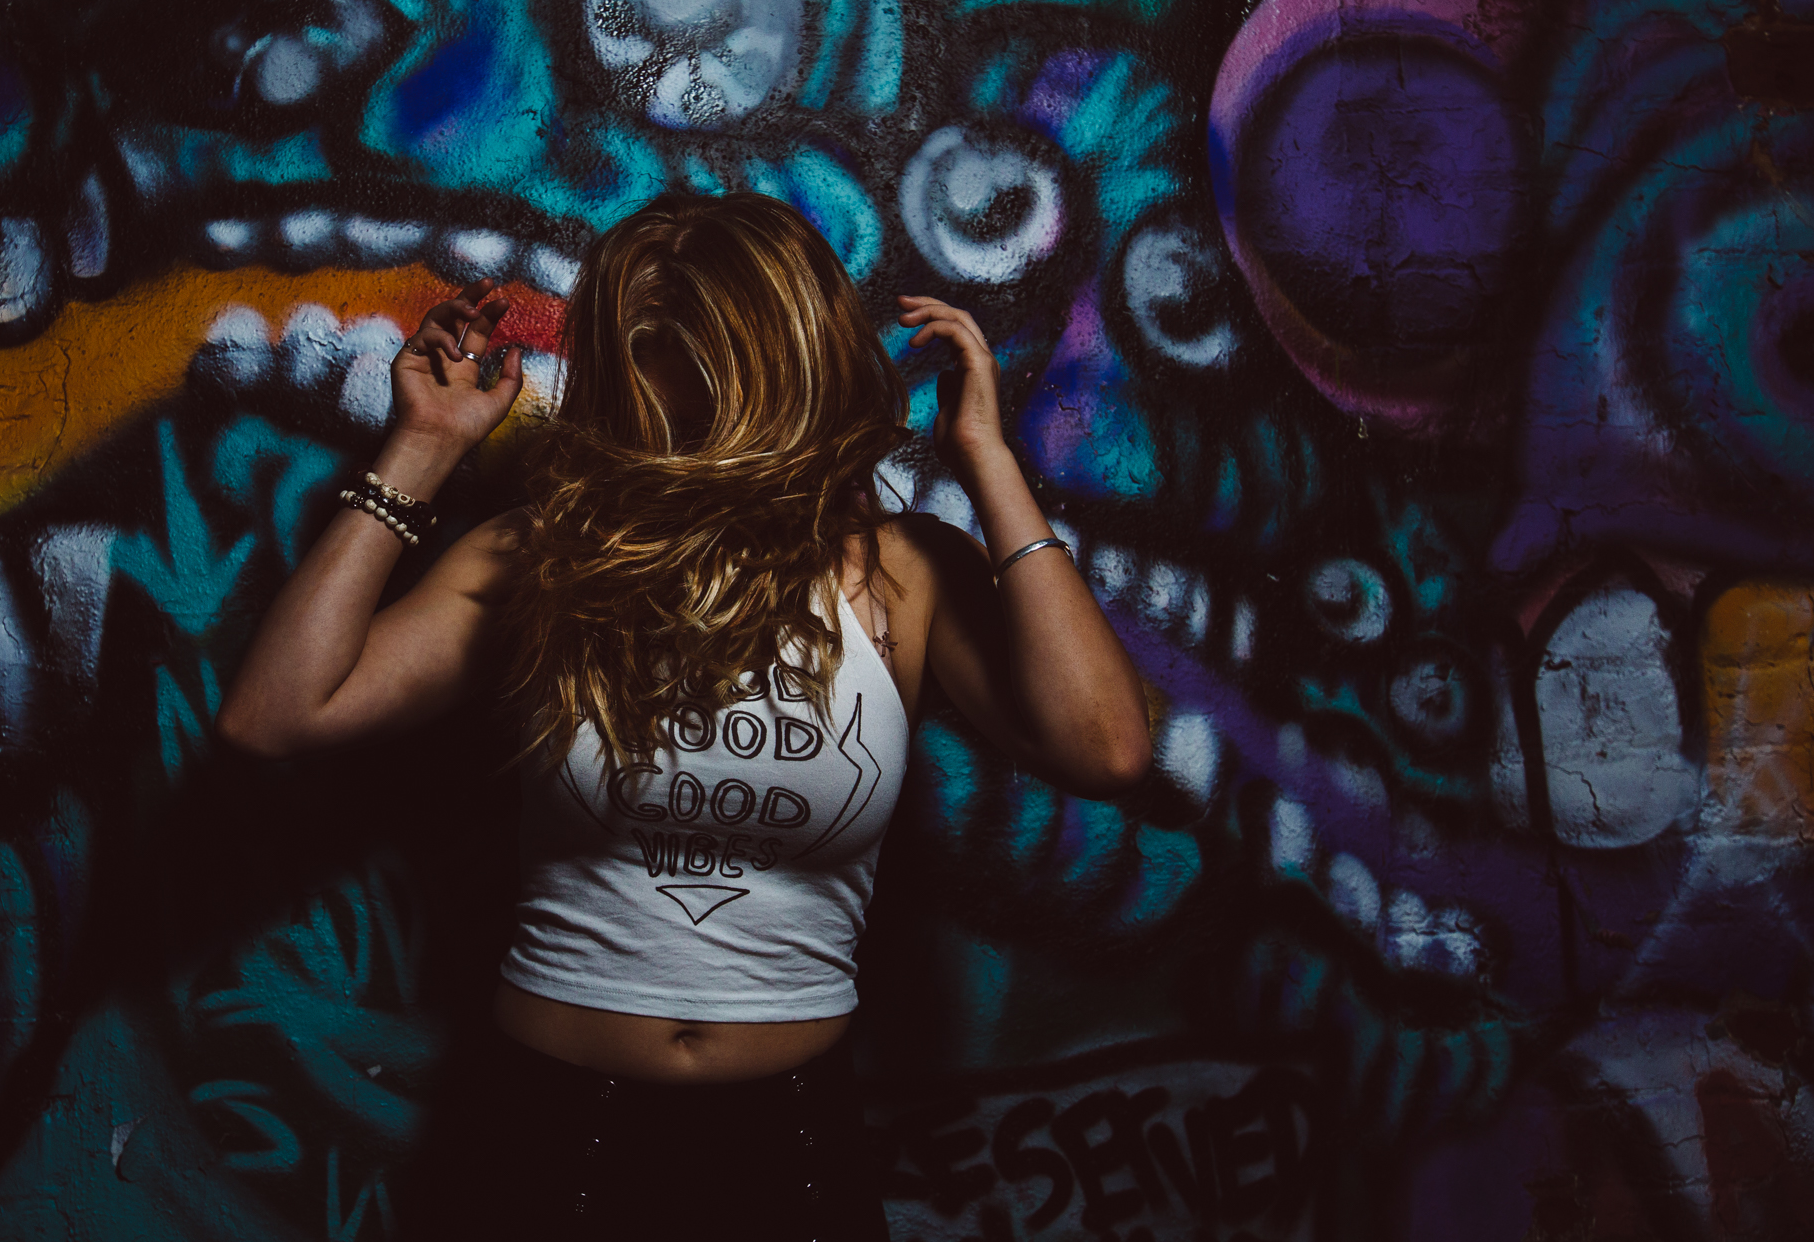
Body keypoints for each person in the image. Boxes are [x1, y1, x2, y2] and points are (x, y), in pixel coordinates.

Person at [216, 192, 1150, 1240]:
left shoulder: (904, 575)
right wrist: (423, 450)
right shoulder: (544, 555)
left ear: (788, 373)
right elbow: (275, 715)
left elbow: (1106, 747)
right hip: (551, 1132)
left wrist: (990, 466)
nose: (691, 438)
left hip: (791, 1141)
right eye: (657, 386)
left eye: (714, 392)